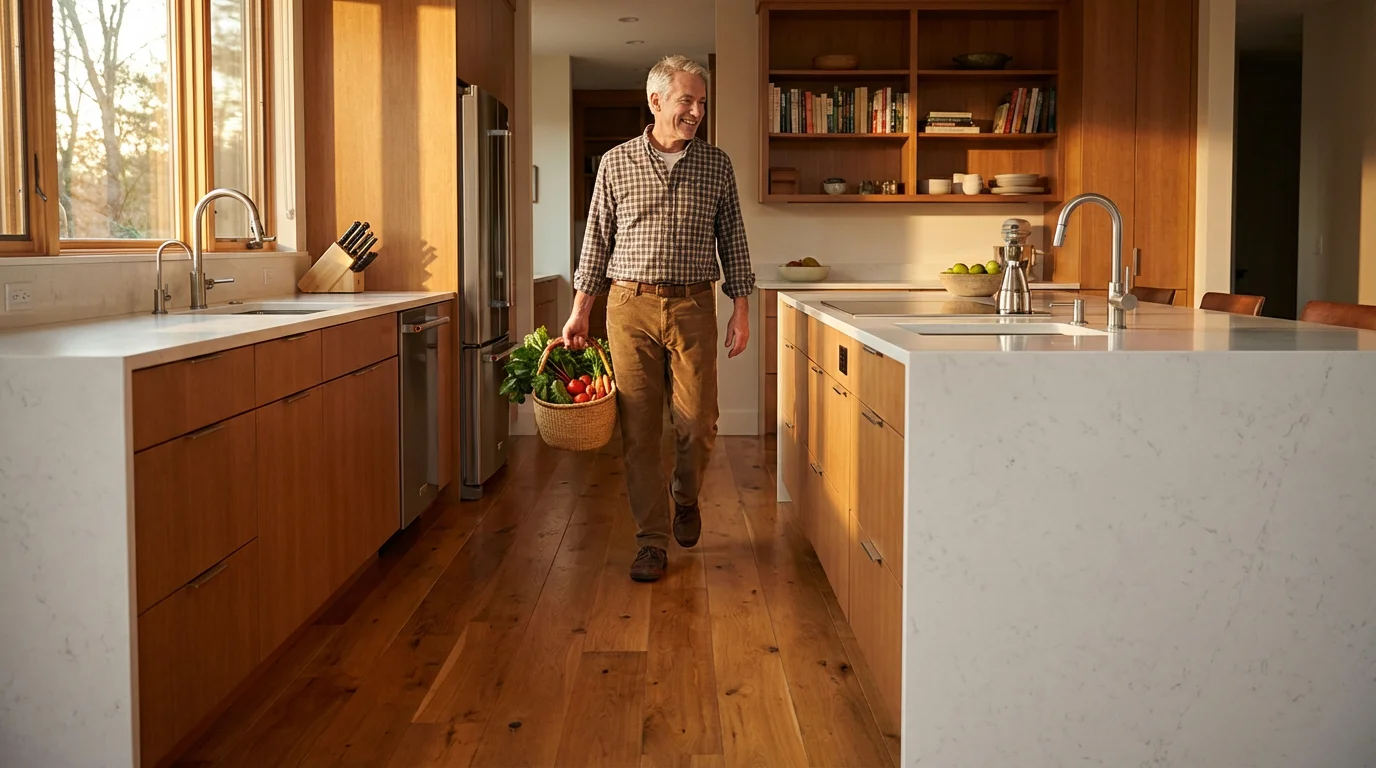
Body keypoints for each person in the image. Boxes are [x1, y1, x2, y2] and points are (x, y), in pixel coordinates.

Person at [562, 54, 755, 582]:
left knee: (698, 423)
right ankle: (651, 539)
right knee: (640, 431)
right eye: (685, 99)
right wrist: (581, 310)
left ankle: (685, 495)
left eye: (701, 101)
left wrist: (741, 309)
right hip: (628, 307)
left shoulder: (716, 164)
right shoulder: (615, 162)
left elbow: (733, 240)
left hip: (694, 305)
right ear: (656, 101)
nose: (695, 110)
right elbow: (596, 241)